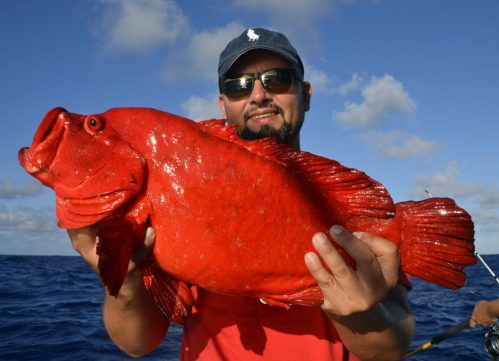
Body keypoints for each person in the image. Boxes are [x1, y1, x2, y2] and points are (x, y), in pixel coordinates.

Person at [68, 28, 415, 361]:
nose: (259, 95)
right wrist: (126, 279)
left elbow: (391, 348)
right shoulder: (185, 186)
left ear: (305, 95)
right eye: (239, 86)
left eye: (278, 79)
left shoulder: (354, 213)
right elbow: (137, 344)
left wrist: (361, 316)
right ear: (223, 105)